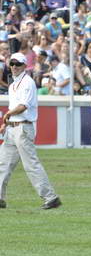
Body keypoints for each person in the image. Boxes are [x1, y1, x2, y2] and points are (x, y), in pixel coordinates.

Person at [0, 52, 61, 210]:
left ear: (25, 66)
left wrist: (7, 114)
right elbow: (16, 107)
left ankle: (51, 197)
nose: (14, 67)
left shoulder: (27, 82)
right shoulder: (13, 84)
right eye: (12, 63)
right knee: (3, 164)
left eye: (18, 64)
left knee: (31, 165)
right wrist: (6, 123)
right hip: (13, 128)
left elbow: (23, 106)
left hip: (23, 128)